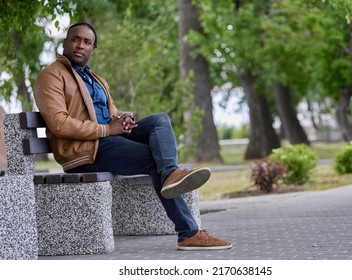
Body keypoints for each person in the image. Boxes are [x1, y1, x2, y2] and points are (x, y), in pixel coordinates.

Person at [33, 22, 232, 251]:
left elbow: (111, 113)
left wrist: (123, 120)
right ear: (65, 42)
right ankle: (189, 233)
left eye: (87, 42)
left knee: (159, 120)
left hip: (108, 139)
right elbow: (59, 124)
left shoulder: (96, 79)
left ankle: (171, 174)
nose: (80, 45)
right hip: (85, 152)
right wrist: (108, 129)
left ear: (93, 48)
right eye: (75, 39)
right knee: (153, 158)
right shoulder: (51, 76)